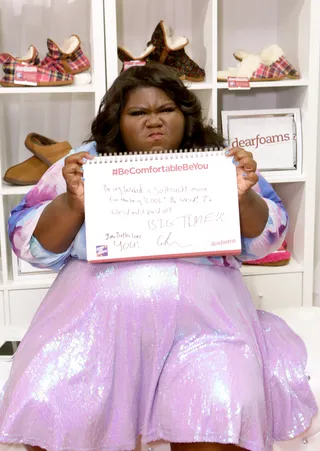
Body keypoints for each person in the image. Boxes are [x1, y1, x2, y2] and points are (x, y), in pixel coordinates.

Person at [0, 64, 317, 451]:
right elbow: (27, 244)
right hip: (91, 328)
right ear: (117, 119)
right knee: (54, 404)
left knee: (219, 409)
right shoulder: (86, 164)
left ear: (185, 114)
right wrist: (72, 203)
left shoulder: (219, 162)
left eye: (166, 109)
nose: (154, 122)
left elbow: (266, 239)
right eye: (137, 113)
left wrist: (243, 197)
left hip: (208, 328)